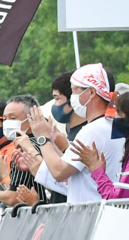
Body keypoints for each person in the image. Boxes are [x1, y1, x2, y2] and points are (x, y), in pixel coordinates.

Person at [29, 64, 124, 204]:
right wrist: (52, 144)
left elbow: (59, 172)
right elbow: (76, 166)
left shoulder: (92, 130)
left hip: (92, 214)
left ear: (91, 92)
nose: (72, 98)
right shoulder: (114, 124)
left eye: (74, 91)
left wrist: (42, 138)